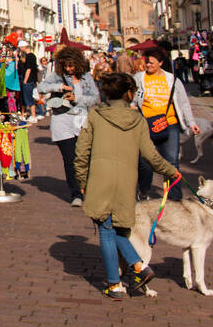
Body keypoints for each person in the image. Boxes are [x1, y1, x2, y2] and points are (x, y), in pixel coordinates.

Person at [75, 72, 179, 300]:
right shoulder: (138, 120)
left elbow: (81, 151)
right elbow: (150, 155)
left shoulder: (95, 116)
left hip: (100, 178)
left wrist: (81, 180)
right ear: (129, 94)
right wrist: (171, 171)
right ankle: (138, 268)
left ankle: (115, 284)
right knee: (118, 228)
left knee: (106, 229)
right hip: (125, 181)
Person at [35, 46, 100, 207]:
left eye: (71, 66)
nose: (69, 69)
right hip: (62, 120)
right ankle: (76, 193)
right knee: (70, 158)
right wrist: (59, 87)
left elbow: (95, 98)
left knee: (85, 157)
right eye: (66, 66)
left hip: (81, 119)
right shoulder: (57, 76)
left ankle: (89, 188)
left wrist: (77, 97)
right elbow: (42, 88)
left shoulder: (86, 77)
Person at [132, 47, 198, 202]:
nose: (148, 65)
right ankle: (144, 190)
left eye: (152, 63)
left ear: (161, 63)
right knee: (145, 162)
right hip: (146, 124)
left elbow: (183, 103)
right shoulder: (139, 78)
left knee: (171, 162)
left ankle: (174, 198)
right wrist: (131, 106)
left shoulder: (172, 80)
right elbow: (132, 97)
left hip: (169, 124)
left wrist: (191, 123)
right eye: (147, 62)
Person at [19, 50, 39, 122]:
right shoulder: (34, 66)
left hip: (28, 82)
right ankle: (25, 114)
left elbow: (28, 70)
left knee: (29, 99)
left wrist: (25, 81)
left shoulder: (27, 65)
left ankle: (33, 116)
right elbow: (35, 75)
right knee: (27, 99)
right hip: (32, 82)